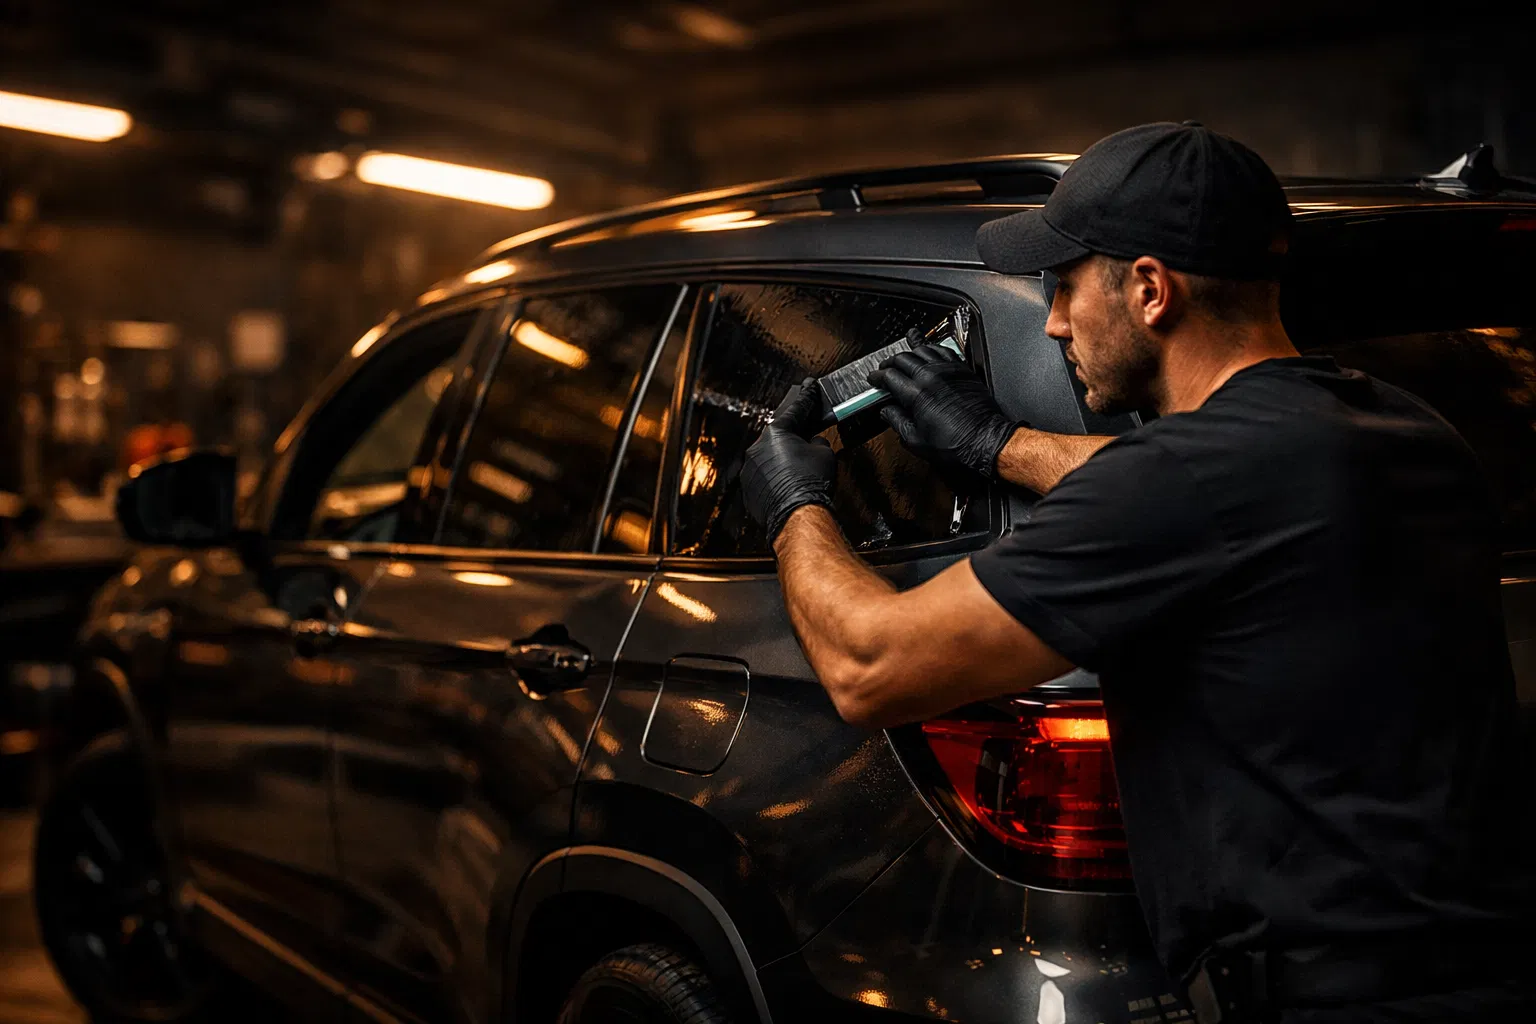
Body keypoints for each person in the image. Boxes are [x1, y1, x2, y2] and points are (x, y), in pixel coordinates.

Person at [740, 122, 1534, 1023]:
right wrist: (997, 446)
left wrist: (793, 505)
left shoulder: (1187, 484)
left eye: (1066, 286)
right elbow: (1206, 492)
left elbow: (869, 667)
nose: (1053, 319)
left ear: (1151, 291)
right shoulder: (1402, 430)